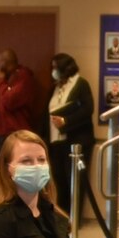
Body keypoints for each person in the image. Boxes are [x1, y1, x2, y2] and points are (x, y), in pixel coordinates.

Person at [46, 51, 94, 219]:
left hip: (76, 141)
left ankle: (74, 218)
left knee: (74, 180)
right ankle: (62, 215)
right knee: (59, 180)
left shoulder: (81, 84)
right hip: (57, 142)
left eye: (55, 67)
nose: (53, 71)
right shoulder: (56, 86)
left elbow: (87, 109)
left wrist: (66, 121)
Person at [0, 48, 39, 150]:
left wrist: (1, 81)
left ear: (5, 64)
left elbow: (9, 101)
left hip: (16, 132)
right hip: (1, 132)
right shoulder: (7, 79)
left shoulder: (23, 77)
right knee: (0, 165)